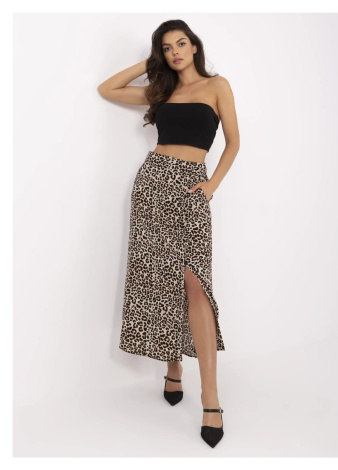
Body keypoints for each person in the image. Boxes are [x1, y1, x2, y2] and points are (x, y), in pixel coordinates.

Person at [98, 19, 240, 448]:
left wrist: (212, 185)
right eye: (167, 47)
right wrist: (151, 63)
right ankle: (172, 366)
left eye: (181, 43)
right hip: (152, 184)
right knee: (160, 282)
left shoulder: (218, 86)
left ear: (195, 46)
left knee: (196, 284)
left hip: (192, 185)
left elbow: (234, 141)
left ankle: (211, 398)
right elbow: (107, 88)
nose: (176, 52)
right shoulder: (161, 91)